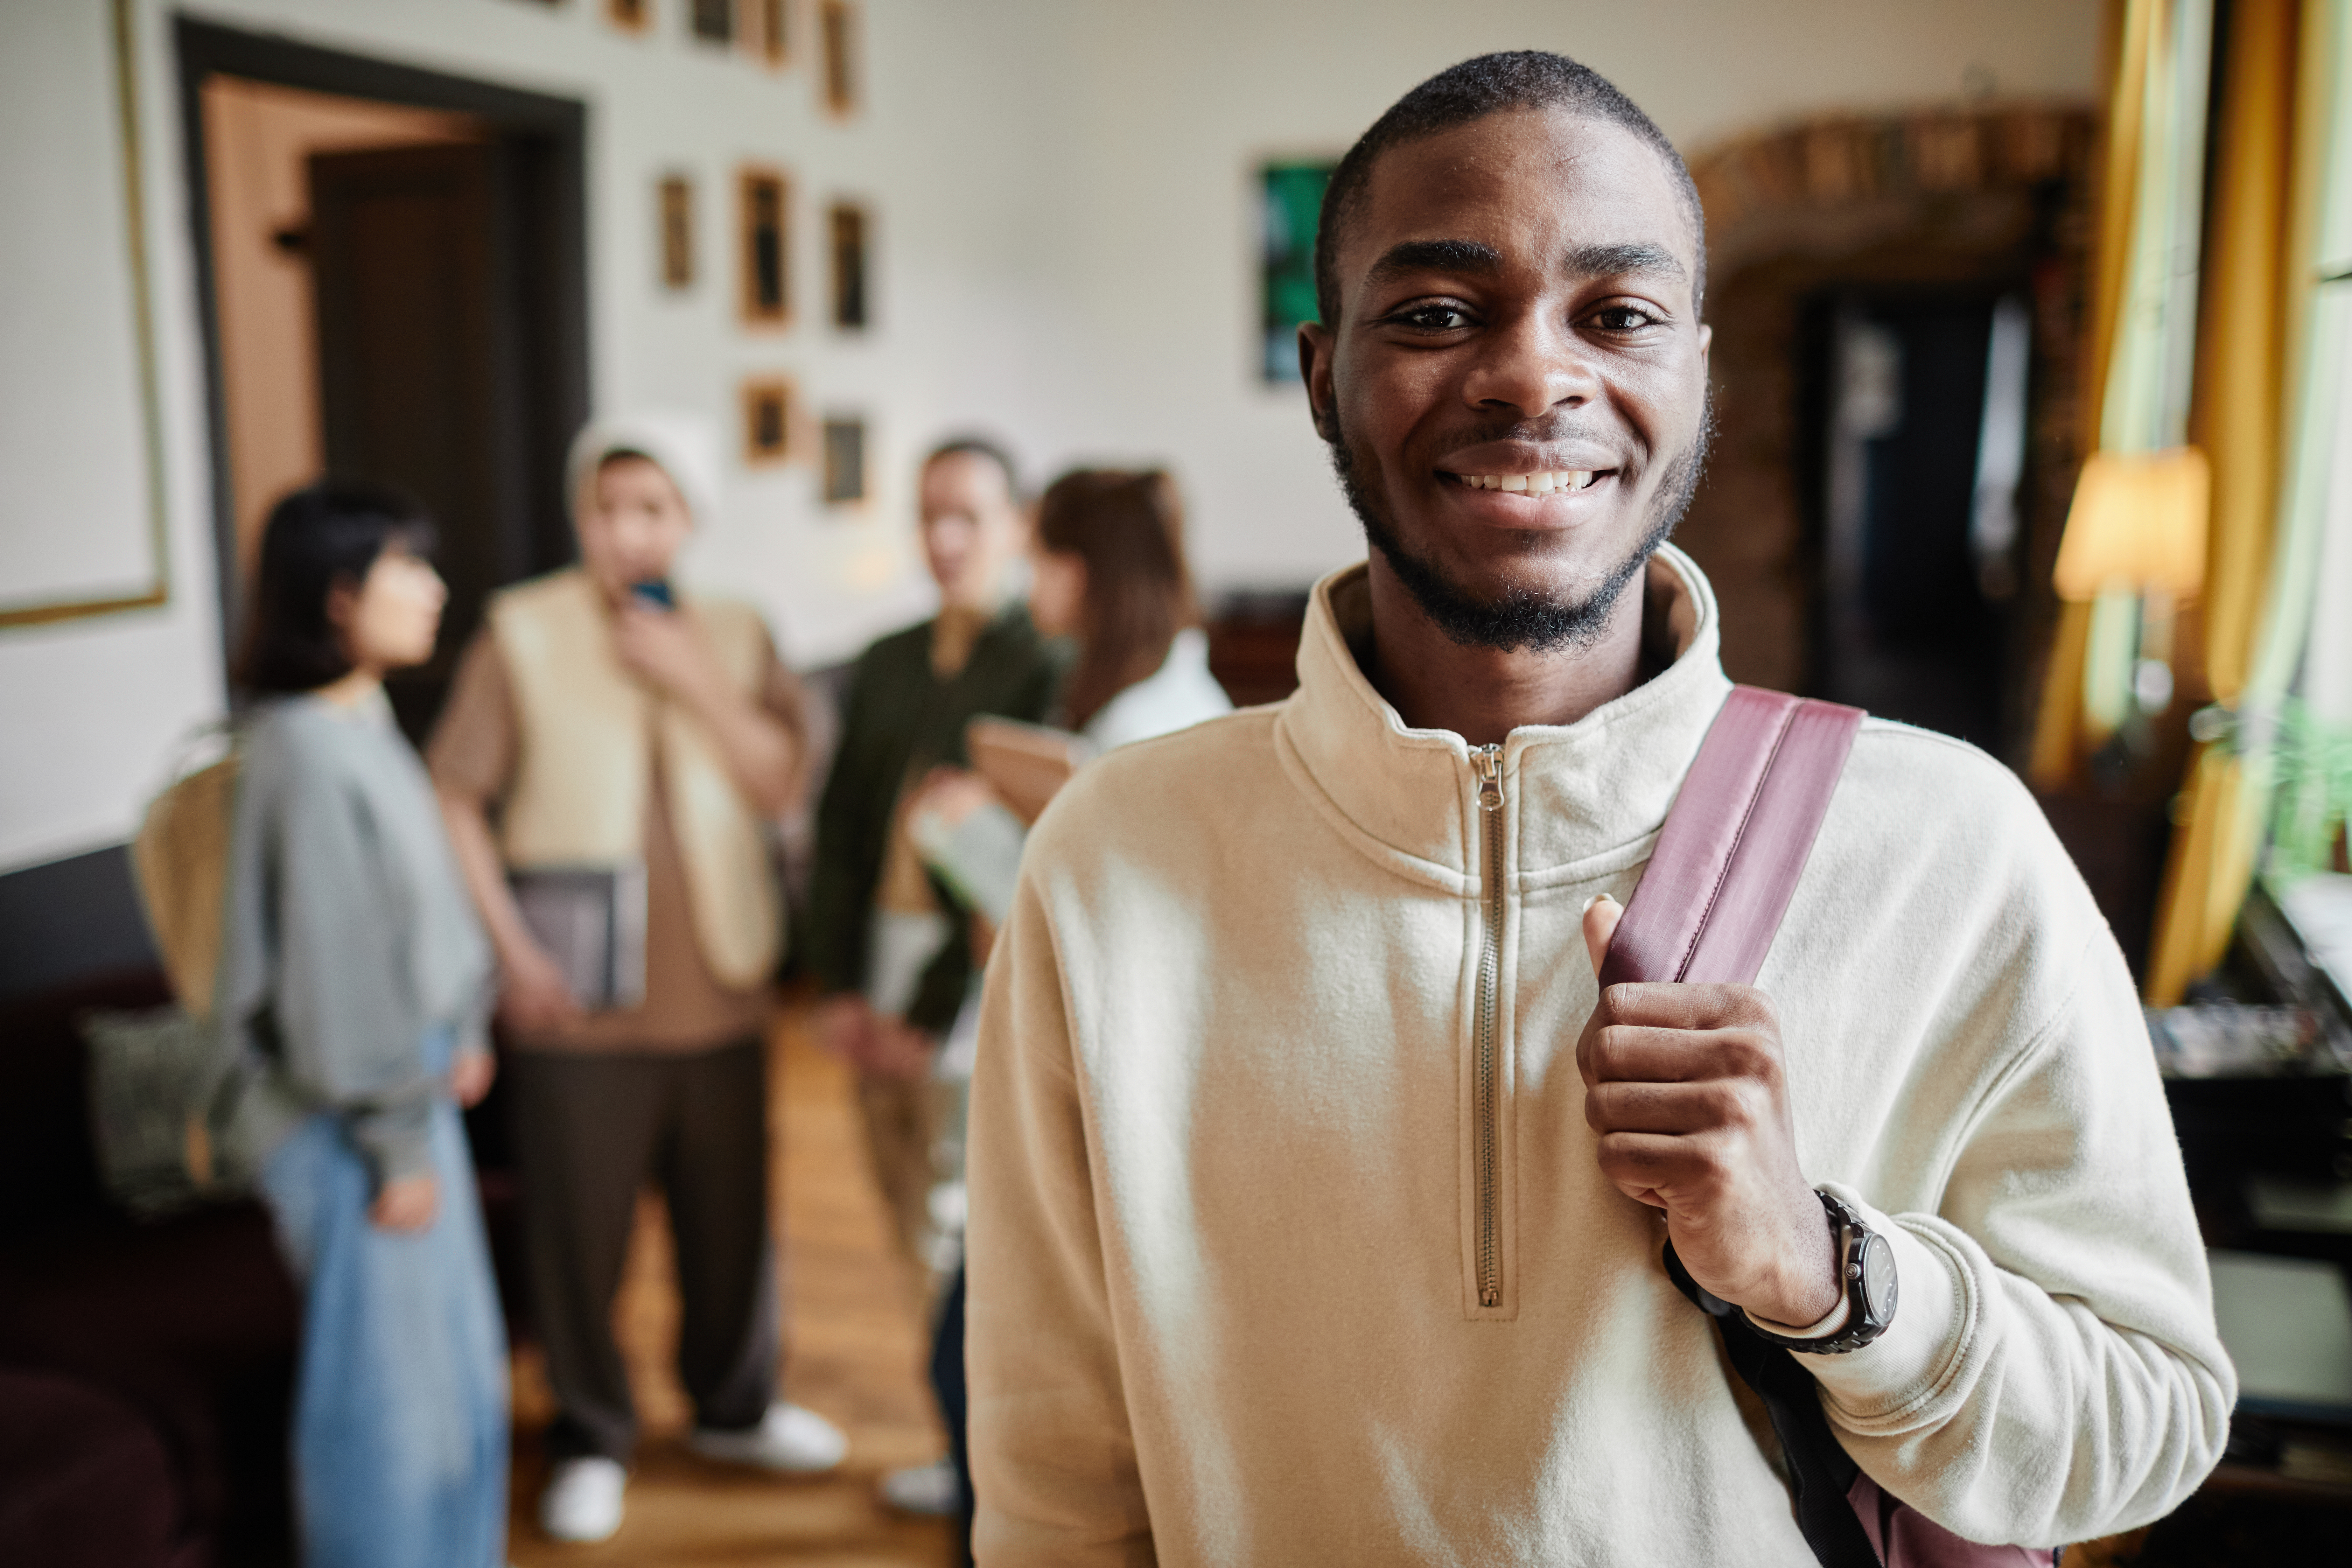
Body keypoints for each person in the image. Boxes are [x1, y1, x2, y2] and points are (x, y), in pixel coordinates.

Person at [966, 51, 2232, 1564]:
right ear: (1325, 378)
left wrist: (1826, 1272)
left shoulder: (1952, 848)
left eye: (1617, 315)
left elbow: (2148, 1421)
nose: (1532, 376)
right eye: (1437, 314)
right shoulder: (1117, 862)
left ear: (1698, 372)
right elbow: (1057, 1480)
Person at [430, 414, 842, 1546]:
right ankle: (589, 1433)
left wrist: (699, 679)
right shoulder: (521, 633)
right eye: (607, 510)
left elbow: (775, 785)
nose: (628, 533)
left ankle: (734, 1407)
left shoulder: (741, 631)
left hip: (723, 987)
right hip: (574, 1006)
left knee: (731, 1228)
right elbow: (454, 795)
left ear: (688, 521)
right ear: (581, 520)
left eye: (652, 510)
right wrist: (509, 952)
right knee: (578, 1235)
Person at [882, 467, 1232, 1531]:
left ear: (1078, 570)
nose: (1028, 576)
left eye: (1038, 554)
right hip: (1095, 1071)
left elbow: (1085, 931)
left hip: (1109, 1082)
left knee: (984, 1356)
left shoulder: (1148, 728)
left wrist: (962, 836)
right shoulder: (1139, 695)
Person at [213, 481, 507, 1568]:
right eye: (408, 570)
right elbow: (336, 982)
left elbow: (411, 918)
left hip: (404, 1094)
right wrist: (394, 1139)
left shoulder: (360, 718)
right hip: (352, 1121)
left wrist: (462, 1029)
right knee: (384, 1423)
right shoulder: (304, 750)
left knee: (451, 1389)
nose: (435, 591)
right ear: (339, 598)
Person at [806, 438, 1062, 1275]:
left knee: (954, 1212)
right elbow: (841, 824)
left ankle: (962, 1399)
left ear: (1017, 527)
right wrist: (837, 982)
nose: (944, 539)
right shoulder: (887, 657)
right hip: (878, 945)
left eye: (968, 517)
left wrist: (929, 1006)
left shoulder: (1046, 661)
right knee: (893, 1182)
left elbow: (1019, 866)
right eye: (928, 516)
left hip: (974, 972)